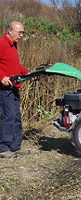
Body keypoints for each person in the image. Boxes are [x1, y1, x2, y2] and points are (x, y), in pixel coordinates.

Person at [0, 21, 30, 158]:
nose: (22, 35)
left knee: (17, 117)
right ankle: (3, 148)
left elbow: (15, 65)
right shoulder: (2, 44)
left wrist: (28, 73)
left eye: (23, 32)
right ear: (10, 31)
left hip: (14, 88)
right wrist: (1, 77)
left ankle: (15, 146)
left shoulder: (13, 45)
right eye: (20, 32)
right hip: (4, 90)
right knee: (9, 116)